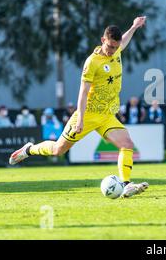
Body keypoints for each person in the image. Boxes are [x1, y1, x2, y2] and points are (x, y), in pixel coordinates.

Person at [9, 17, 149, 198]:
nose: (113, 50)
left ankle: (127, 184)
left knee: (127, 144)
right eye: (110, 47)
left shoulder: (116, 51)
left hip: (106, 115)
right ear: (102, 40)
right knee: (58, 150)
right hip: (88, 114)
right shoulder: (92, 62)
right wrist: (81, 119)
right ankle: (28, 150)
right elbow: (83, 93)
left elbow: (125, 40)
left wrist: (134, 26)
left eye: (116, 47)